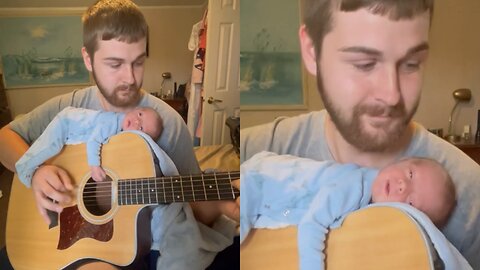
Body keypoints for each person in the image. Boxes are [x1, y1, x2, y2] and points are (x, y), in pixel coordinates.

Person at [240, 0, 480, 268]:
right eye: (365, 64)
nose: (391, 96)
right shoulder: (252, 150)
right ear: (311, 51)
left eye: (412, 64)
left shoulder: (472, 197)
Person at [0, 0, 238, 269]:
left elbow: (187, 211)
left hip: (123, 246)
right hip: (53, 233)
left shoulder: (167, 122)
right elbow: (4, 138)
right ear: (88, 59)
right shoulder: (67, 108)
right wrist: (38, 171)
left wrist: (219, 206)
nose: (130, 78)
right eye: (115, 64)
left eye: (138, 63)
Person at [240, 152, 456, 269]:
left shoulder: (374, 223)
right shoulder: (355, 184)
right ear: (399, 161)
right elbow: (312, 223)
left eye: (410, 202)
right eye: (410, 174)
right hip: (262, 179)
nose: (402, 186)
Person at [15, 106, 163, 192]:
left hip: (73, 129)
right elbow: (94, 140)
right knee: (49, 147)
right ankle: (24, 168)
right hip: (67, 122)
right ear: (135, 109)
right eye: (140, 114)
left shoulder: (121, 134)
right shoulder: (113, 121)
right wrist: (94, 166)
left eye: (142, 127)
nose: (137, 121)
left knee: (51, 148)